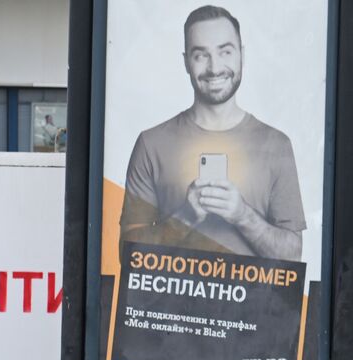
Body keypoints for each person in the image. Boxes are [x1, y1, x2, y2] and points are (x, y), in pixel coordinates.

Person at [121, 5, 304, 260]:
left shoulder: (277, 145)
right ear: (186, 62)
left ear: (242, 55)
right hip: (173, 301)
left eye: (225, 51)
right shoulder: (151, 144)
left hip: (255, 301)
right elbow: (128, 254)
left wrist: (242, 215)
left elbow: (292, 257)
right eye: (200, 55)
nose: (215, 67)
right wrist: (185, 217)